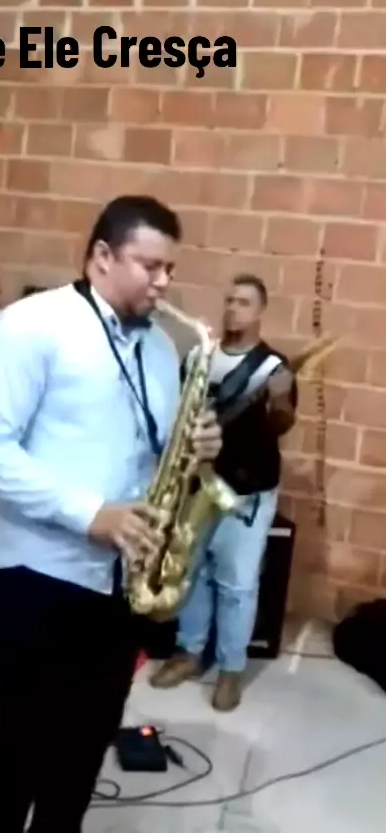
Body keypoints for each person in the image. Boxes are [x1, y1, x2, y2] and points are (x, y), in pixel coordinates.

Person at [0, 195, 222, 833]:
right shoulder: (34, 324)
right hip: (39, 576)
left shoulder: (162, 349)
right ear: (102, 255)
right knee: (23, 752)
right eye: (149, 265)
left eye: (170, 269)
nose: (163, 282)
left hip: (121, 585)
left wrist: (194, 450)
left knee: (82, 754)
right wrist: (90, 514)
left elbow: (154, 454)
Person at [150, 273, 297, 711]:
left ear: (261, 311)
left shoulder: (274, 368)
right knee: (189, 573)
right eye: (230, 300)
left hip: (247, 493)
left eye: (244, 302)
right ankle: (189, 652)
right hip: (197, 486)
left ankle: (231, 669)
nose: (234, 308)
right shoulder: (200, 356)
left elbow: (280, 425)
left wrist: (280, 400)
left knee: (237, 585)